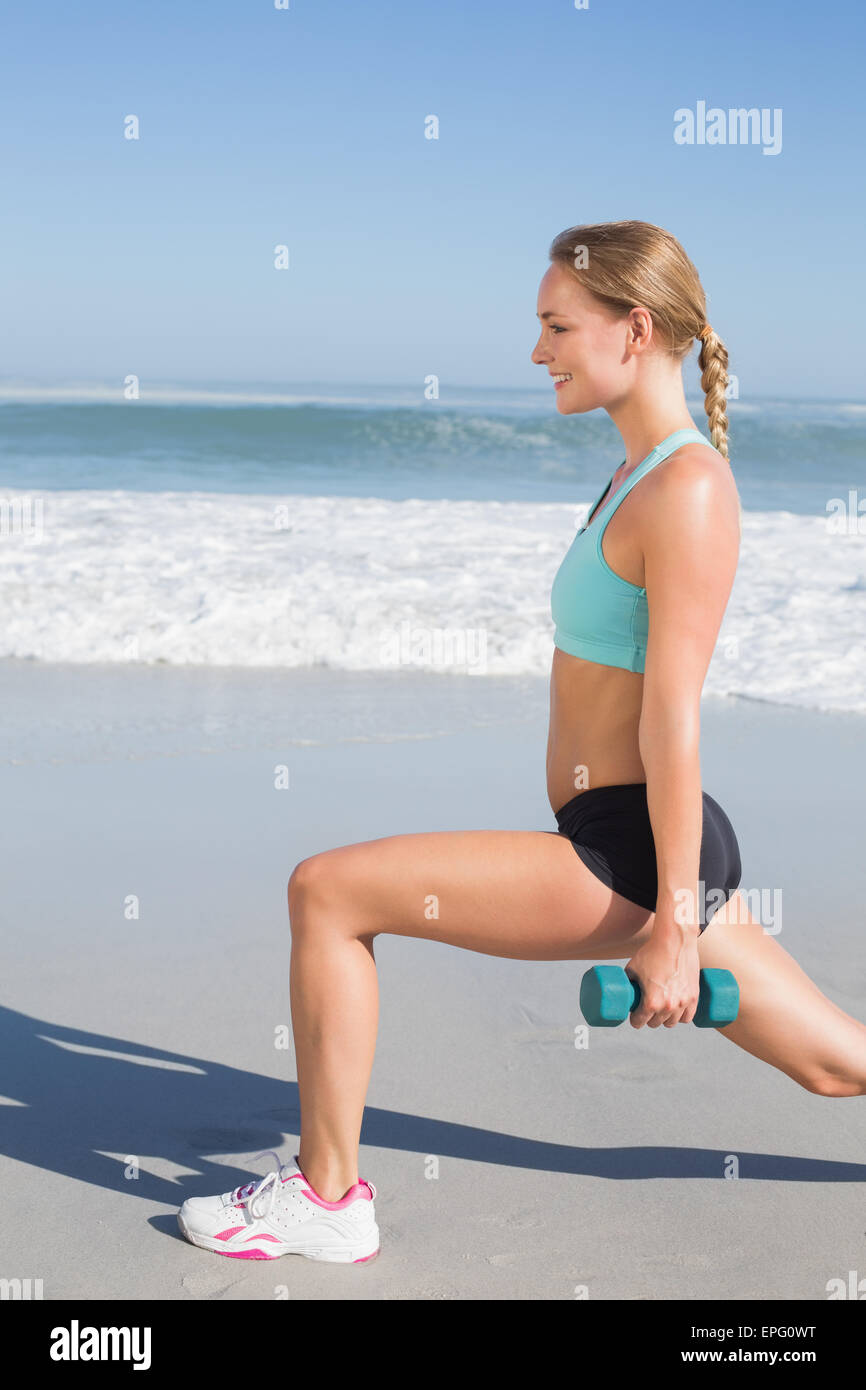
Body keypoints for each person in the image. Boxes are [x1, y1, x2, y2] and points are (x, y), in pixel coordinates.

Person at [177, 219, 866, 1264]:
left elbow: (672, 714)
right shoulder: (639, 474)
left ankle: (326, 1200)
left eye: (555, 326)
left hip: (631, 852)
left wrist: (672, 923)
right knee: (832, 1065)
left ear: (632, 329)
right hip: (634, 836)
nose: (536, 350)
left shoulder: (683, 488)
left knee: (326, 890)